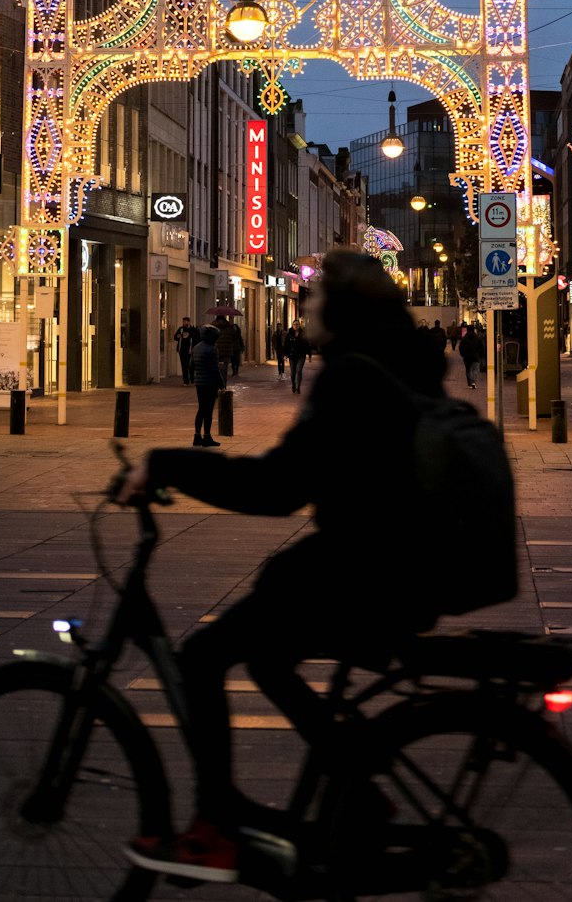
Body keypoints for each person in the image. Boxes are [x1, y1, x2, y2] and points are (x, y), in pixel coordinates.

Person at [117, 251, 447, 883]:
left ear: (343, 309)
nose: (305, 305)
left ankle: (214, 825)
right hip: (397, 564)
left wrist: (166, 465)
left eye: (316, 297)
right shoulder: (398, 365)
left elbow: (278, 488)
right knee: (266, 656)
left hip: (366, 569)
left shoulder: (354, 376)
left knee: (204, 655)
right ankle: (357, 785)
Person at [190, 325, 222, 447]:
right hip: (209, 383)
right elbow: (214, 369)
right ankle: (207, 436)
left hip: (199, 383)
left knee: (201, 409)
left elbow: (191, 365)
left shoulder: (196, 348)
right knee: (208, 411)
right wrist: (220, 383)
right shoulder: (212, 349)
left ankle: (197, 436)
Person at [282, 321, 311, 393]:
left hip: (301, 355)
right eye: (294, 324)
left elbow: (307, 344)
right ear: (292, 325)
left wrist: (309, 355)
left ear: (299, 325)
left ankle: (298, 387)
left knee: (299, 370)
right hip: (292, 356)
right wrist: (285, 355)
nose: (296, 326)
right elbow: (286, 345)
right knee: (293, 373)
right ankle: (293, 385)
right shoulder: (289, 334)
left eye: (297, 324)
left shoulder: (303, 334)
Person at [173, 317, 200, 386]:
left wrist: (193, 347)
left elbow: (197, 339)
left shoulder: (193, 330)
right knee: (184, 365)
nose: (184, 323)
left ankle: (192, 379)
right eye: (183, 321)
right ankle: (186, 381)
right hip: (182, 350)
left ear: (188, 322)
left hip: (190, 350)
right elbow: (175, 337)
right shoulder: (181, 329)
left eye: (185, 321)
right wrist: (178, 336)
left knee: (190, 365)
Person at [214, 317, 235, 387]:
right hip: (226, 352)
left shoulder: (213, 327)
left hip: (215, 352)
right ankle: (223, 386)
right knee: (224, 371)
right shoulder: (230, 327)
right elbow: (235, 337)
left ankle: (216, 386)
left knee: (214, 370)